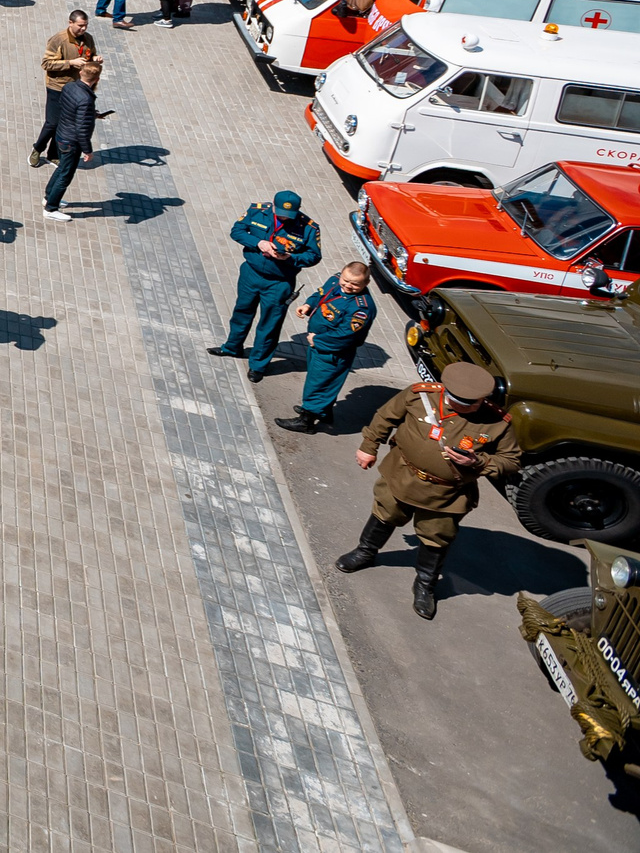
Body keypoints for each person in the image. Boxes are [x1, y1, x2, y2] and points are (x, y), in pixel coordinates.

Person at [339, 361, 520, 619]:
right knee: (384, 513)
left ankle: (425, 584)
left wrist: (478, 462)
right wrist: (368, 446)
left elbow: (511, 461)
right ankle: (365, 553)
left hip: (446, 493)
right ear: (447, 392)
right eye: (463, 403)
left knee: (436, 536)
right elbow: (385, 416)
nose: (471, 407)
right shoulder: (420, 395)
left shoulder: (497, 421)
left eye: (475, 403)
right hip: (402, 474)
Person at [207, 189, 323, 374]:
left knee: (269, 324)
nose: (285, 218)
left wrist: (291, 258)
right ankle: (232, 347)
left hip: (279, 282)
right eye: (281, 213)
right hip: (251, 273)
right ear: (273, 206)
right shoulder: (257, 211)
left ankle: (258, 366)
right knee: (241, 312)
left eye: (289, 215)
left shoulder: (308, 227)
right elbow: (237, 231)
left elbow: (314, 256)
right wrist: (258, 243)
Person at [278, 262, 377, 434]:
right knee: (318, 380)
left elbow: (345, 335)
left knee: (319, 384)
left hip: (332, 350)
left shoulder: (361, 308)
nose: (348, 286)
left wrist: (317, 340)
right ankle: (323, 412)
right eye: (345, 280)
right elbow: (321, 294)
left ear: (366, 283)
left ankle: (306, 421)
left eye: (355, 284)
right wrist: (308, 305)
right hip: (318, 344)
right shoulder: (335, 280)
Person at [32, 10, 96, 168]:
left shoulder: (88, 39)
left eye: (86, 25)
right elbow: (46, 64)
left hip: (75, 88)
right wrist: (70, 63)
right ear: (70, 23)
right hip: (57, 86)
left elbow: (91, 55)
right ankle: (37, 149)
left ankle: (53, 155)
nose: (83, 29)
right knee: (52, 123)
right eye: (80, 25)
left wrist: (95, 59)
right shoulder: (59, 40)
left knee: (64, 123)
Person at [40, 61, 102, 220]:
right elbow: (81, 129)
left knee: (62, 168)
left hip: (61, 134)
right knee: (65, 175)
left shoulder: (69, 87)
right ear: (97, 79)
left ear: (81, 73)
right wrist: (88, 150)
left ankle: (49, 197)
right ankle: (51, 209)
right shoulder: (86, 99)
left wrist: (90, 114)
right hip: (71, 141)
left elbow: (67, 107)